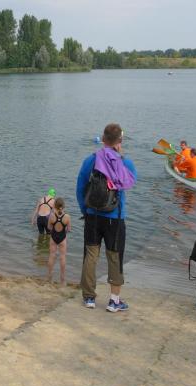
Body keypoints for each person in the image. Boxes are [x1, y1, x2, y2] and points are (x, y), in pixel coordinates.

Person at [76, 123, 137, 311]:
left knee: (91, 255)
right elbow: (130, 182)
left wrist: (85, 210)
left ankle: (89, 298)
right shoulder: (125, 163)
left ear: (103, 139)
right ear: (120, 141)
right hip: (115, 217)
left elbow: (80, 188)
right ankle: (114, 301)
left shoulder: (91, 160)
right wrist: (120, 156)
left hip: (93, 215)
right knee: (115, 256)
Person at [47, 197, 71, 285]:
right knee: (63, 257)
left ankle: (50, 277)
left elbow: (49, 227)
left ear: (55, 206)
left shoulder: (51, 215)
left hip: (53, 237)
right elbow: (69, 229)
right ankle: (62, 278)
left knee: (52, 255)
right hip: (62, 238)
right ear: (63, 206)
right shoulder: (67, 217)